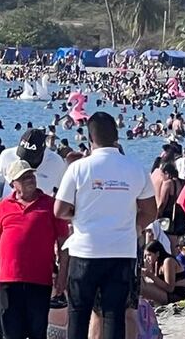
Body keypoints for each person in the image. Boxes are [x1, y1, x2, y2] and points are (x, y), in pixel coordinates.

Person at [54, 112, 155, 339]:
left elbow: (59, 210)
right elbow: (151, 211)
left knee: (79, 315)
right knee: (114, 315)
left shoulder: (79, 168)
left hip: (85, 250)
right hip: (122, 251)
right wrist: (133, 226)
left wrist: (78, 214)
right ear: (117, 136)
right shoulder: (135, 168)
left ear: (91, 139)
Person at [0, 159, 69, 339]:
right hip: (8, 279)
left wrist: (63, 275)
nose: (30, 179)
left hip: (39, 280)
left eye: (31, 175)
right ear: (13, 184)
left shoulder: (50, 205)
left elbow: (64, 244)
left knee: (37, 332)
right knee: (11, 332)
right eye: (23, 178)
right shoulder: (3, 207)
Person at [0, 130, 68, 201]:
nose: (24, 161)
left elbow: (61, 192)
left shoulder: (57, 162)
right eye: (22, 156)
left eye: (29, 157)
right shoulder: (6, 155)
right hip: (8, 208)